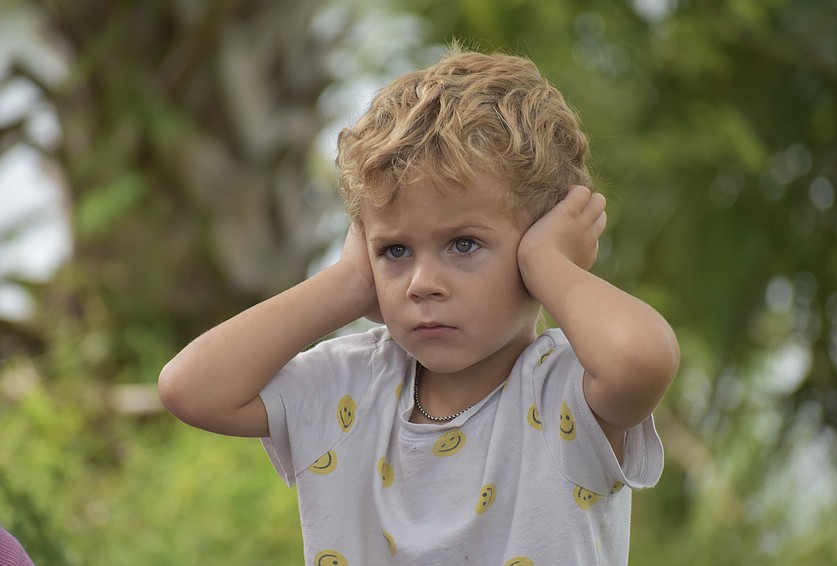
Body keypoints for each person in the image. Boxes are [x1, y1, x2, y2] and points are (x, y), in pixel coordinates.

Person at [159, 45, 679, 565]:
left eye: (464, 244)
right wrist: (348, 283)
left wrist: (548, 264)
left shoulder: (564, 397)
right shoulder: (350, 388)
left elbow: (641, 358)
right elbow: (190, 389)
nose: (422, 283)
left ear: (538, 241)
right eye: (395, 250)